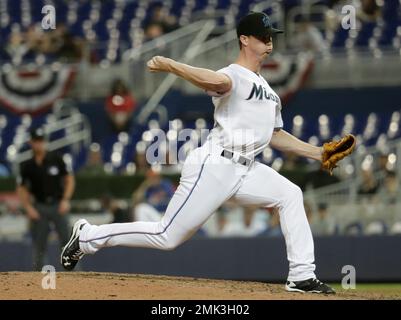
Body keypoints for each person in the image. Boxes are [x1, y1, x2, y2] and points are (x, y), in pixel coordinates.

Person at [61, 12, 335, 294]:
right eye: (263, 37)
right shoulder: (233, 74)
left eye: (271, 37)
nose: (270, 42)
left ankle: (302, 275)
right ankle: (87, 236)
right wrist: (172, 65)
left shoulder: (269, 91)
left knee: (291, 194)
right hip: (216, 164)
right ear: (244, 39)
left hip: (247, 169)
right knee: (166, 236)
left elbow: (275, 135)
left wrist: (318, 153)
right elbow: (216, 83)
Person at [17, 127, 75, 271]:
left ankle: (74, 275)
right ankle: (39, 276)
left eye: (41, 141)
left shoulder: (56, 159)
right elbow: (22, 188)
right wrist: (28, 208)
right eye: (36, 141)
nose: (39, 144)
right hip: (39, 207)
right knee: (39, 244)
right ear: (31, 142)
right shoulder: (27, 165)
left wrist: (66, 199)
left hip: (58, 205)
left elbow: (69, 179)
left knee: (68, 242)